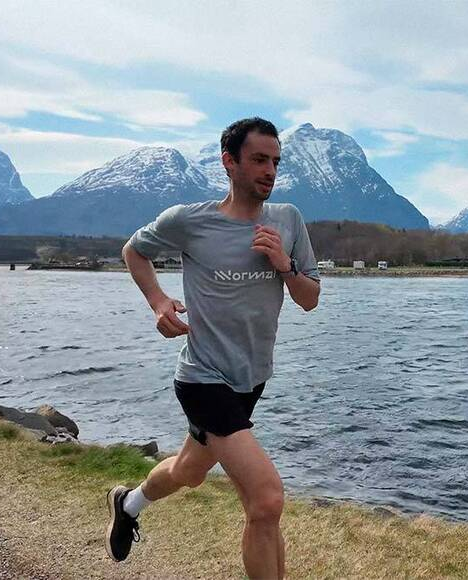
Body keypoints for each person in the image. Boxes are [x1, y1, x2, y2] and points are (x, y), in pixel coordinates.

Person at [105, 117, 320, 579]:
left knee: (190, 471)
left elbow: (309, 299)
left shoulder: (288, 220)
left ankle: (129, 502)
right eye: (259, 159)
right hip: (202, 378)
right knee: (265, 500)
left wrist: (284, 265)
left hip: (250, 379)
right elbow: (133, 250)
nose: (270, 170)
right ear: (230, 162)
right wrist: (159, 301)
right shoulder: (191, 221)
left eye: (275, 161)